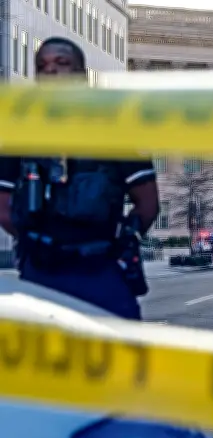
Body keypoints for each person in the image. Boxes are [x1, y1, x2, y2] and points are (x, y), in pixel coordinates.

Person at [0, 37, 160, 319]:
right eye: (42, 66)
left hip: (100, 267)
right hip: (41, 270)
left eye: (62, 63)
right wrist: (37, 241)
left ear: (82, 75)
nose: (51, 71)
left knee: (122, 353)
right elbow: (2, 204)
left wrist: (123, 240)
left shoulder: (114, 128)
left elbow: (147, 202)